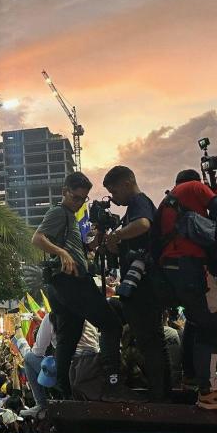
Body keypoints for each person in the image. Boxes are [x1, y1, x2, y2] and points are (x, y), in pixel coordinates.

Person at [32, 172, 131, 401]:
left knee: (69, 336)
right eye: (76, 197)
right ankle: (112, 382)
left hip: (62, 284)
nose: (79, 203)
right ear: (64, 191)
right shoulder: (58, 212)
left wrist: (95, 240)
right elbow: (37, 238)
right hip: (72, 282)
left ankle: (63, 391)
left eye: (83, 199)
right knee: (111, 325)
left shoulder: (69, 217)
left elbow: (80, 249)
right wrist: (62, 252)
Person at [155, 169, 217, 408]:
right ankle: (208, 392)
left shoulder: (169, 199)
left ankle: (191, 378)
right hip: (191, 268)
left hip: (172, 270)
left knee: (195, 321)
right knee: (212, 328)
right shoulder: (193, 187)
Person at [103, 165, 171, 401]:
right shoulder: (131, 209)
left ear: (127, 183)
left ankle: (159, 396)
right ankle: (161, 393)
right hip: (142, 284)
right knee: (151, 341)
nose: (113, 198)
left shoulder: (139, 202)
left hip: (145, 286)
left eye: (114, 191)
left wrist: (117, 235)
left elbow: (143, 225)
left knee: (150, 341)